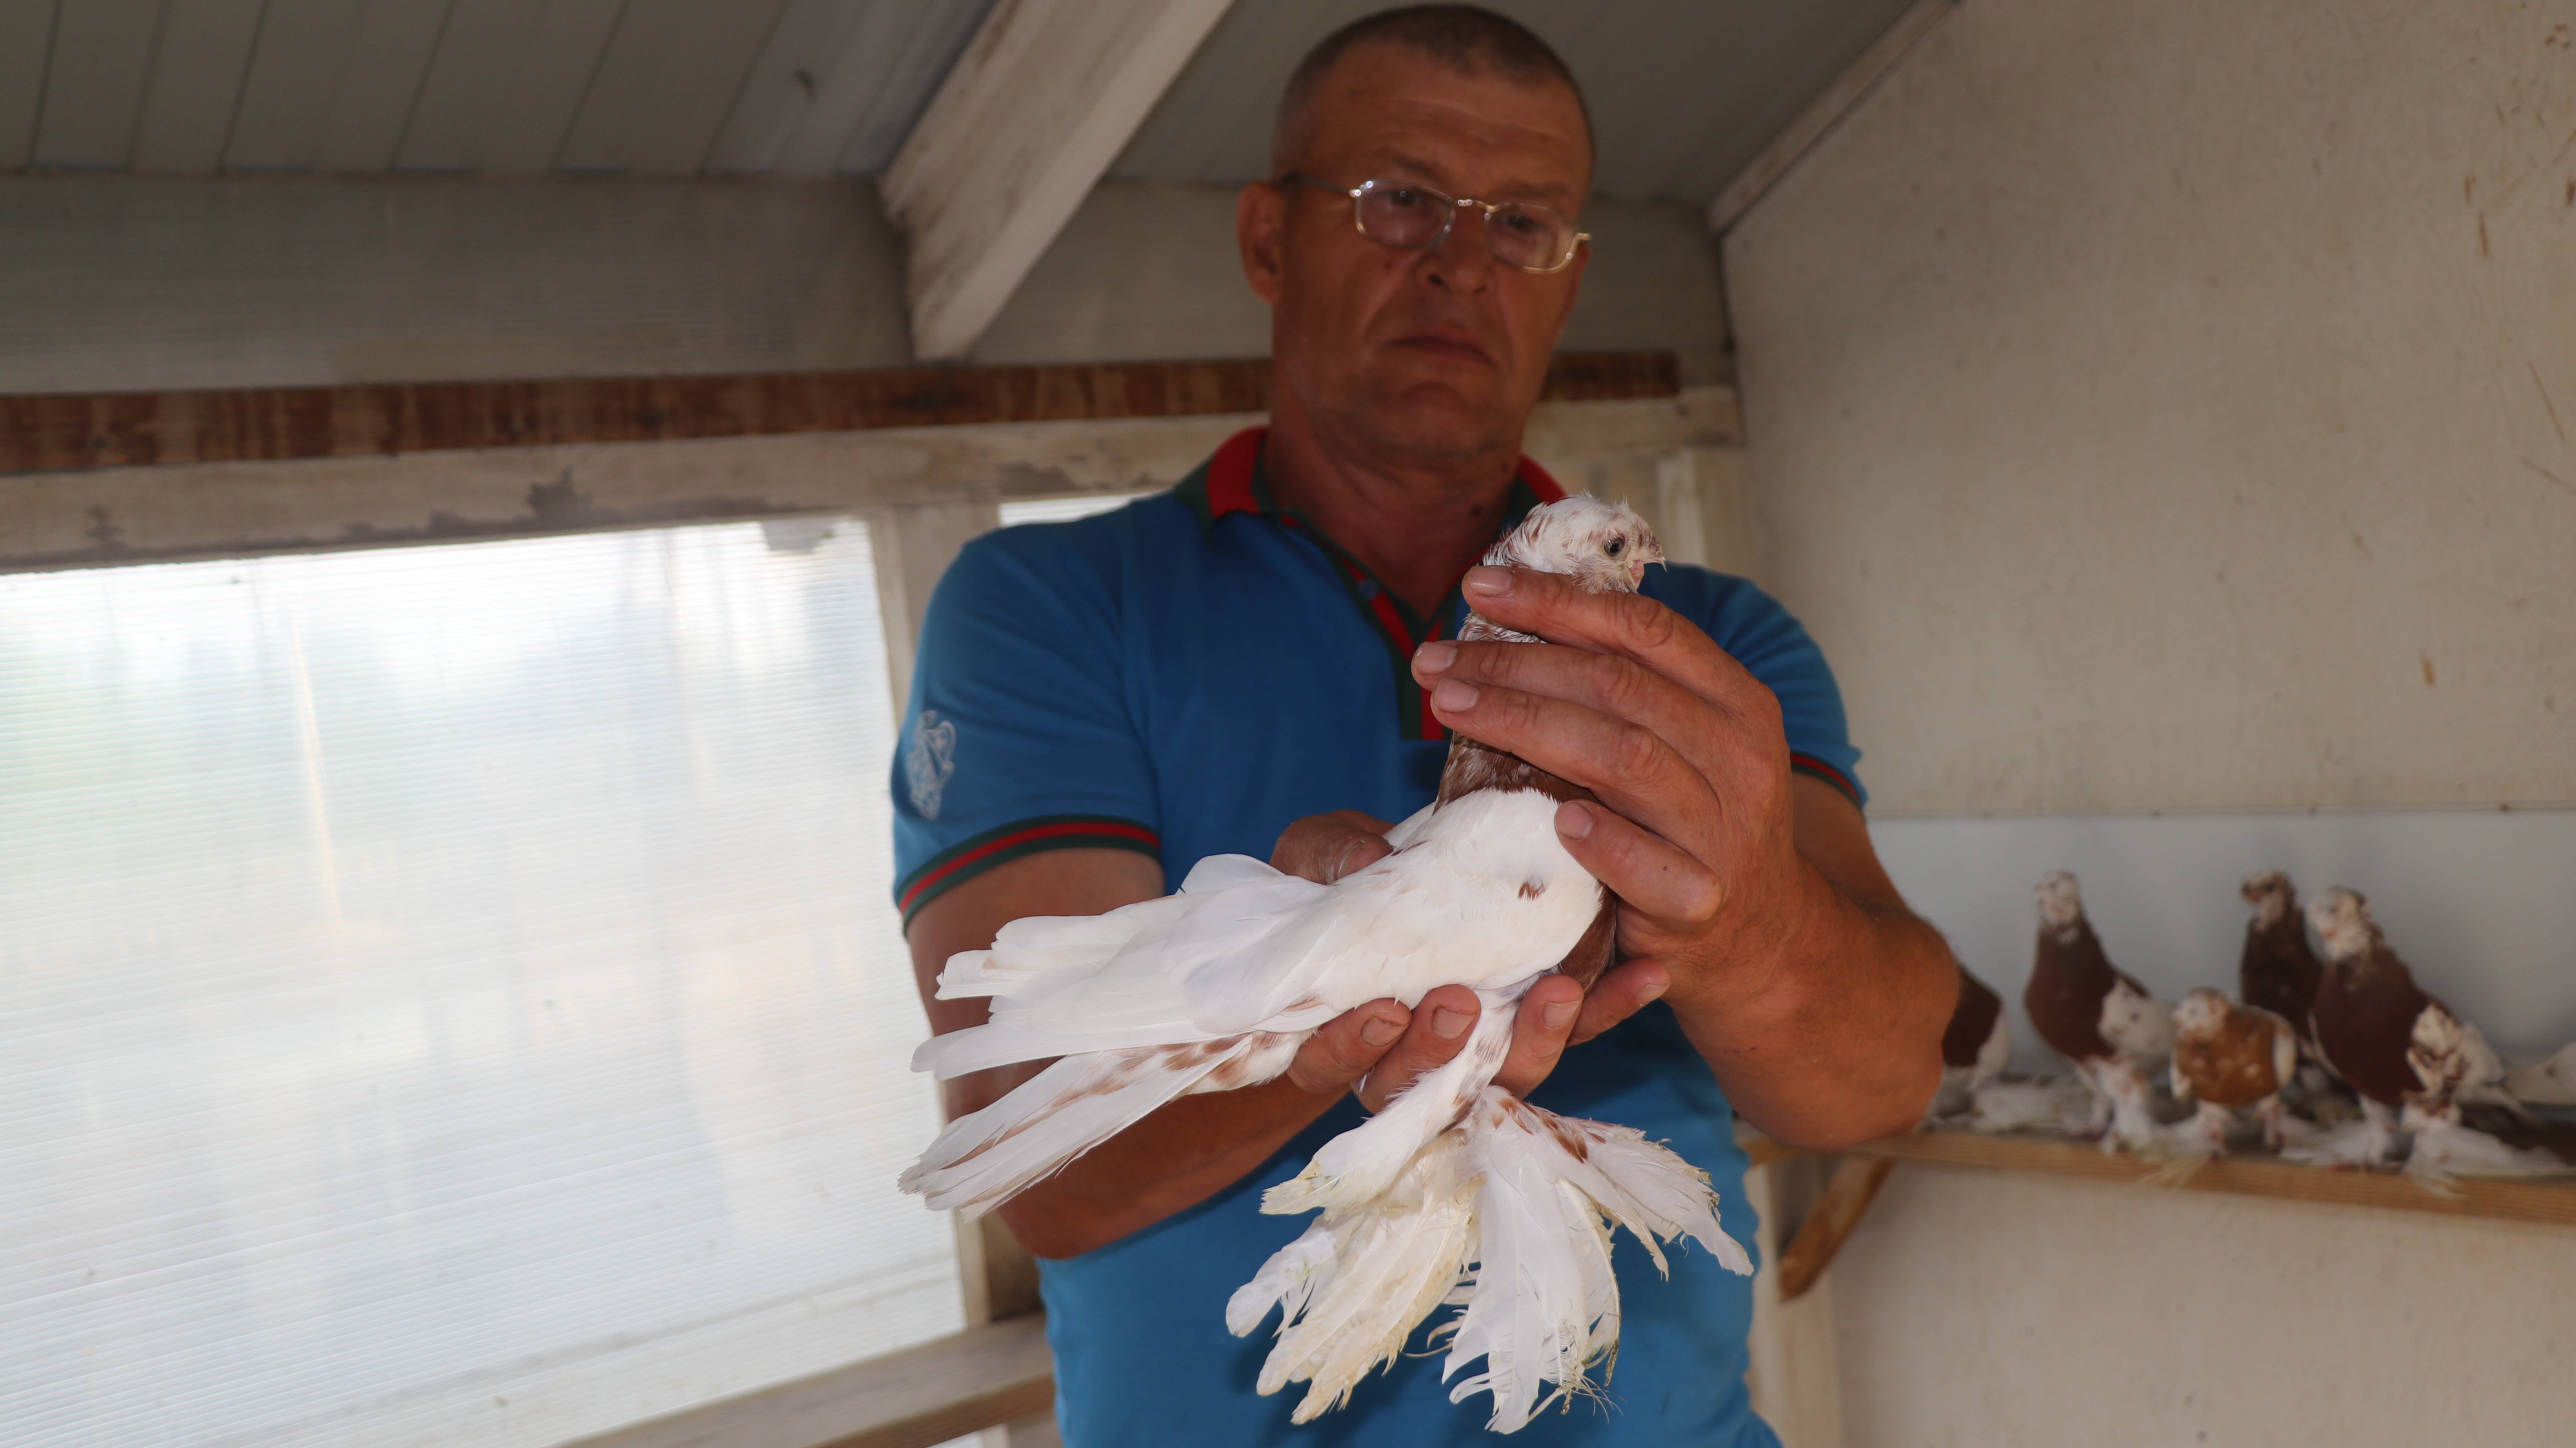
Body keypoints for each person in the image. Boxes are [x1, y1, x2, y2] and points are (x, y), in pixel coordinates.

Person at [891, 7, 1956, 1444]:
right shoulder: (1056, 608)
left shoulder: (1711, 647)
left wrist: (1742, 916)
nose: (1460, 261)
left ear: (1567, 285)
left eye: (1525, 224)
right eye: (1400, 202)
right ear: (1270, 241)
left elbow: (1885, 1076)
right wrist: (1329, 998)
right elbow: (1052, 1171)